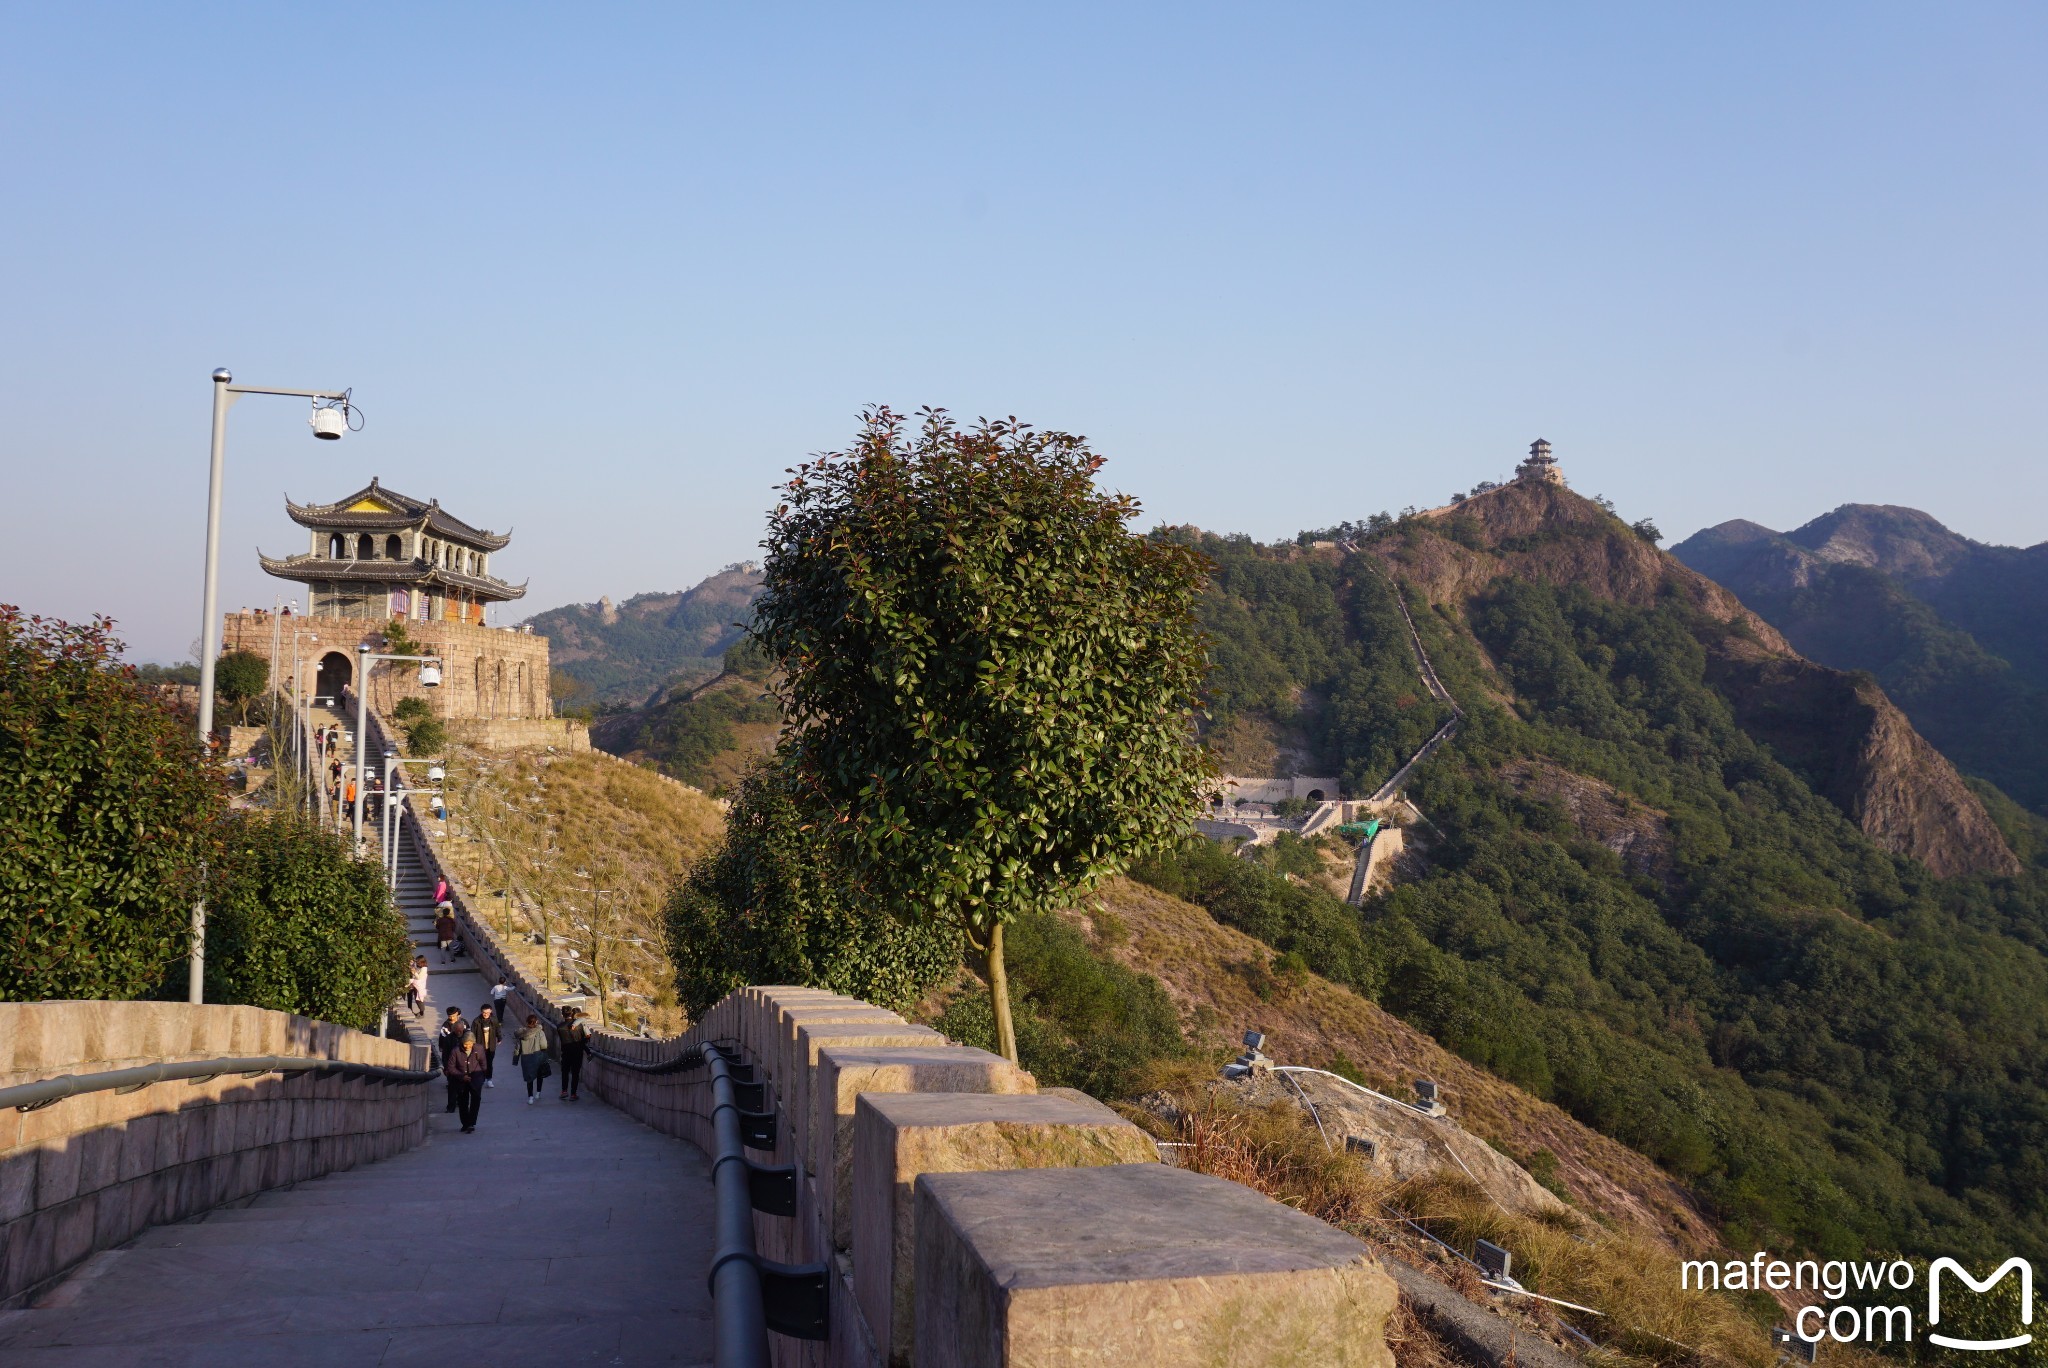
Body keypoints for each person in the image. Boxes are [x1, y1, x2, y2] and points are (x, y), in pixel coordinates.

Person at [443, 1030, 487, 1133]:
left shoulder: (479, 1049)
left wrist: (482, 1078)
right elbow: (451, 1067)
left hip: (476, 1078)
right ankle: (465, 1123)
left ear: (473, 1043)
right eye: (466, 1044)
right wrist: (462, 1076)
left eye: (470, 1044)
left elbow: (483, 1064)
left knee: (475, 1100)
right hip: (461, 1080)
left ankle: (471, 1123)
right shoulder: (456, 1051)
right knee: (463, 1102)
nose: (467, 1046)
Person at [435, 1006, 468, 1111]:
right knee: (452, 1086)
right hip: (452, 1062)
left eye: (453, 1016)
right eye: (450, 1016)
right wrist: (446, 1067)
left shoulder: (465, 1024)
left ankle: (461, 1102)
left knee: (463, 1086)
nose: (452, 1018)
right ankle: (451, 1106)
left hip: (463, 1062)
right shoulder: (446, 1027)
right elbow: (444, 1046)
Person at [513, 1013, 551, 1104]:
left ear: (527, 1022)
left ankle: (530, 1097)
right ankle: (538, 1093)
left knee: (529, 1078)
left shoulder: (522, 1034)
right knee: (539, 1075)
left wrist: (515, 1060)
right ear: (536, 1022)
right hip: (538, 1057)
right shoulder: (540, 1032)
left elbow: (518, 1048)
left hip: (526, 1058)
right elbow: (544, 1045)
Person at [558, 1006, 591, 1102]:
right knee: (575, 1073)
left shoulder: (559, 1027)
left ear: (562, 1014)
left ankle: (564, 1091)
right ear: (572, 1013)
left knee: (565, 1071)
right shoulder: (579, 1026)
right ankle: (573, 1094)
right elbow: (586, 1037)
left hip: (565, 1052)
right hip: (577, 1052)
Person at [473, 1003, 502, 1088]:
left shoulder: (494, 1020)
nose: (486, 1014)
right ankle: (480, 1079)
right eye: (484, 1013)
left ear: (491, 1011)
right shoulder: (476, 1021)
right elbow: (472, 1033)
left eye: (487, 1013)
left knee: (489, 1063)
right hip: (479, 1046)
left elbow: (498, 1029)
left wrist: (499, 1038)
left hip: (491, 1046)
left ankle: (489, 1079)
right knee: (479, 1063)